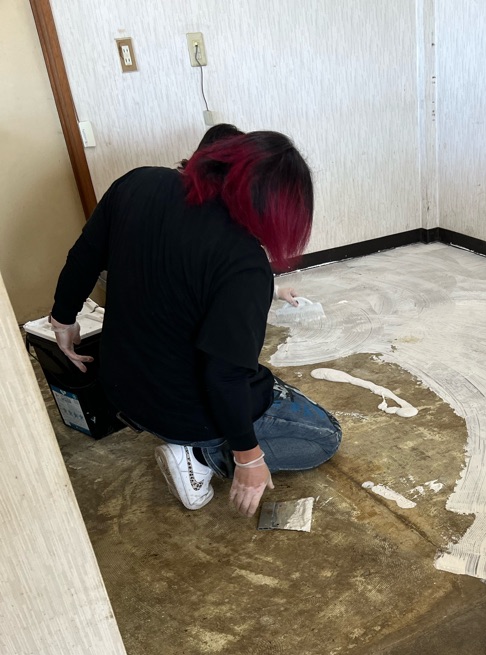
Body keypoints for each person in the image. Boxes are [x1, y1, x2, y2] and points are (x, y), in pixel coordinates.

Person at [49, 131, 341, 517]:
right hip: (186, 411)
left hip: (121, 387)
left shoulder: (139, 183)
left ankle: (198, 440)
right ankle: (202, 456)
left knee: (266, 386)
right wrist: (248, 458)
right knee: (325, 435)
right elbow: (224, 376)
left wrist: (63, 318)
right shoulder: (243, 261)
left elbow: (86, 255)